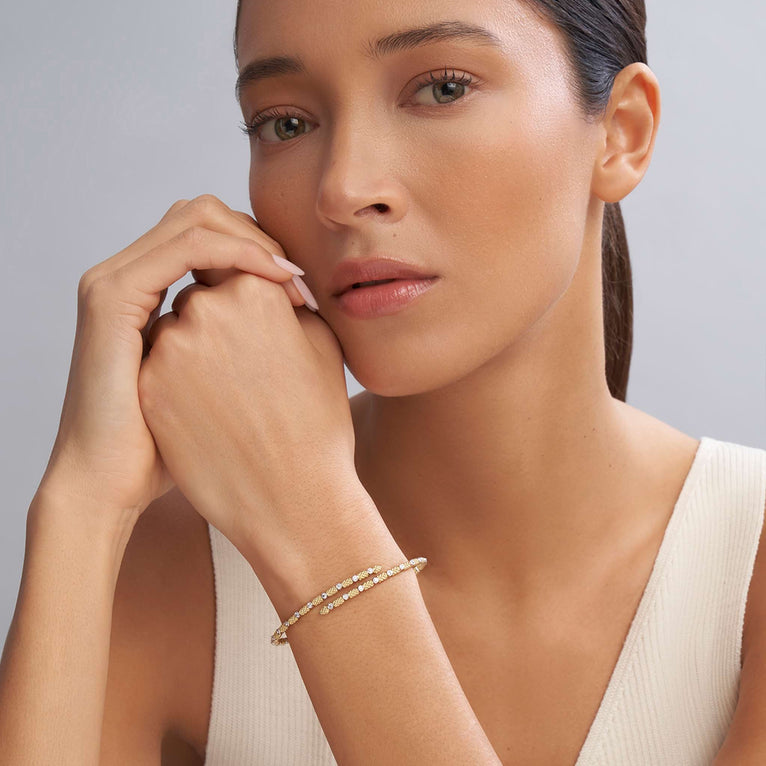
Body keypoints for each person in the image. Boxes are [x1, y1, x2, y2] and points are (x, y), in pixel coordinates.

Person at [1, 0, 764, 763]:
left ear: (622, 132)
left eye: (441, 88)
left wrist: (313, 523)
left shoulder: (748, 560)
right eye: (286, 123)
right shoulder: (172, 569)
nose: (342, 187)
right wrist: (81, 505)